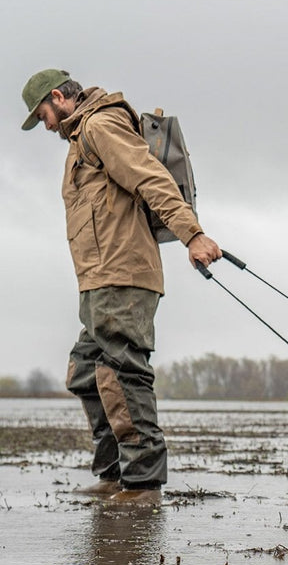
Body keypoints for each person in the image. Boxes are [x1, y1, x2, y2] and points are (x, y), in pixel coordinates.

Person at [20, 68, 222, 508]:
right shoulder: (78, 140)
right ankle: (114, 474)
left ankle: (143, 484)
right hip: (97, 280)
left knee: (122, 374)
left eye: (43, 115)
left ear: (58, 97)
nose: (45, 125)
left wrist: (192, 235)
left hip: (122, 275)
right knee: (85, 372)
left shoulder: (100, 124)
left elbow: (150, 177)